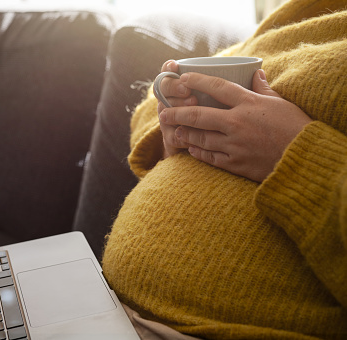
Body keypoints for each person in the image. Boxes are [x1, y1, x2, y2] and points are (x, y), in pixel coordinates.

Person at [102, 0, 347, 339]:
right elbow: (147, 109)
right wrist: (178, 132)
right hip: (110, 308)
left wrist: (295, 156)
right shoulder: (304, 13)